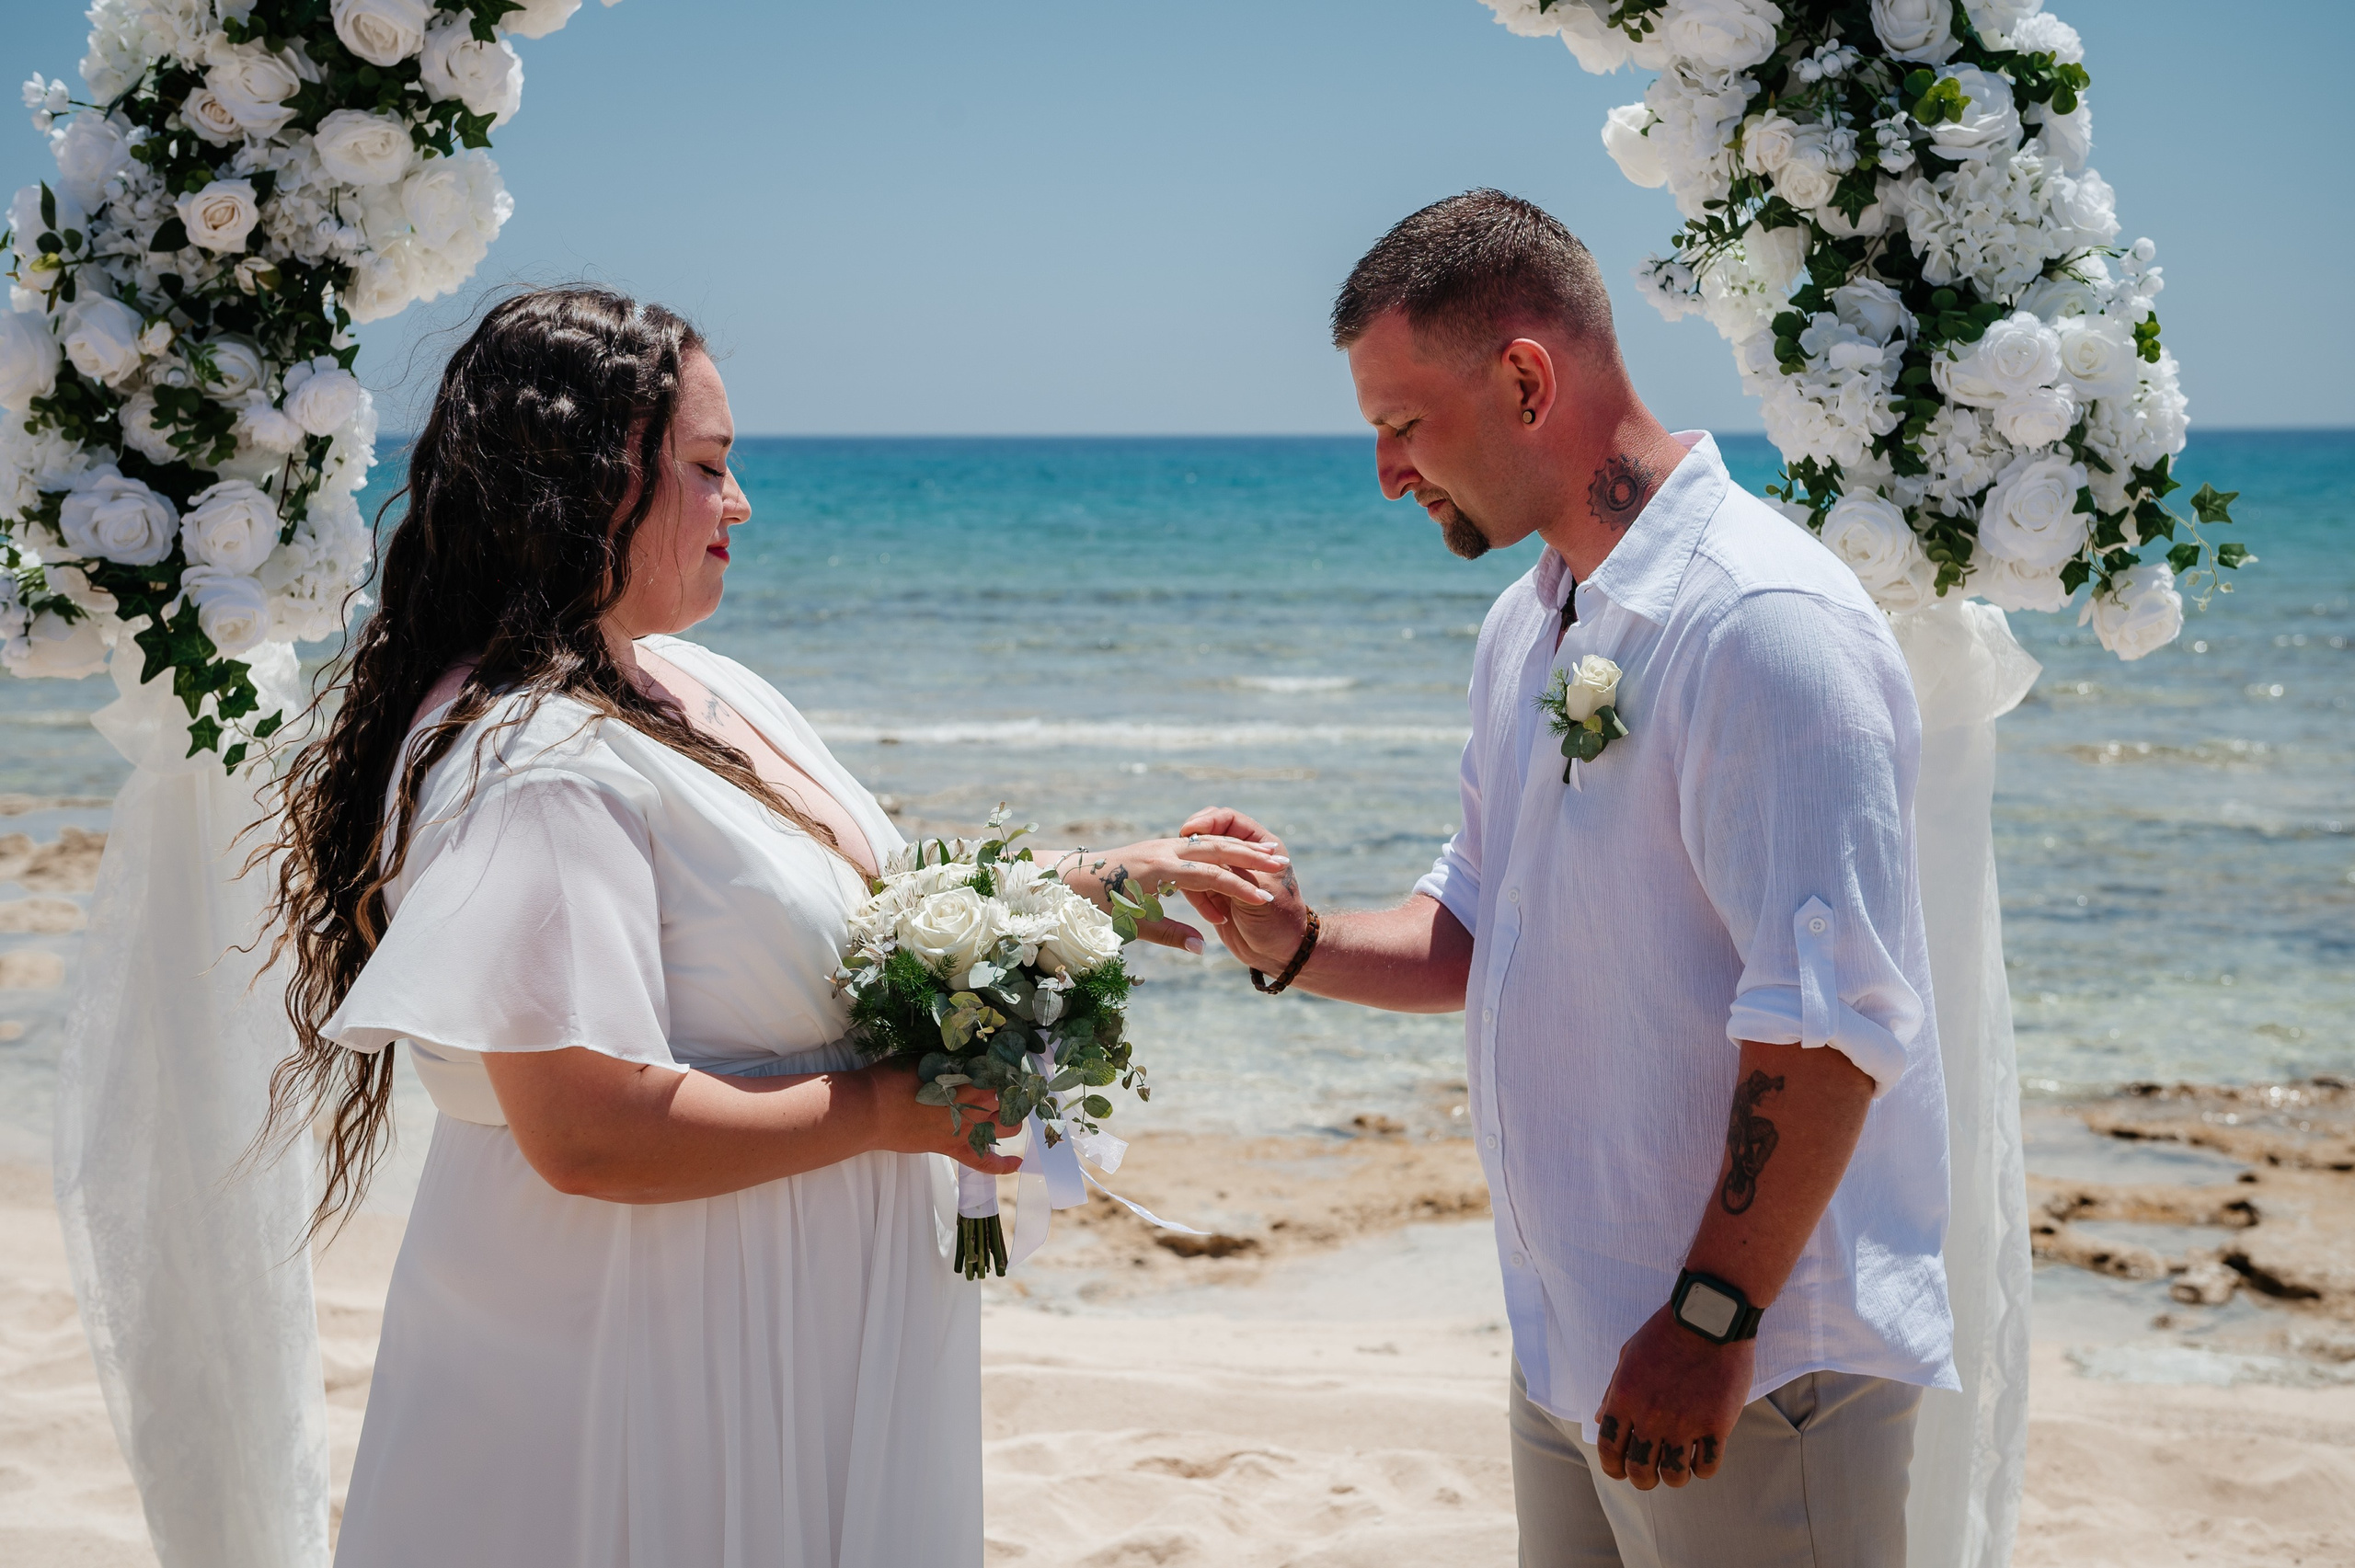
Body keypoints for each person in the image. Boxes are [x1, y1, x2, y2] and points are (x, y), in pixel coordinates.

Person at [256, 286, 1283, 1567]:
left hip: (786, 1326)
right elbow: (584, 1129)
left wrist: (1085, 884)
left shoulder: (692, 681)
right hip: (652, 1356)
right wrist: (891, 1110)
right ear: (584, 483)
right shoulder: (535, 760)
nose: (740, 505)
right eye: (708, 468)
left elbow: (857, 910)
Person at [1178, 191, 1957, 1566]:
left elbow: (1829, 1029)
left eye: (1401, 425)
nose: (1386, 472)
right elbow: (1478, 921)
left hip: (1755, 1369)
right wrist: (1295, 941)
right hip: (1576, 1338)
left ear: (1527, 378)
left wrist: (1710, 1317)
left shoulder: (1764, 627)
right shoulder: (1526, 622)